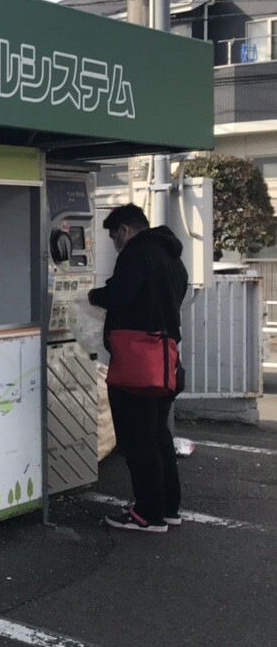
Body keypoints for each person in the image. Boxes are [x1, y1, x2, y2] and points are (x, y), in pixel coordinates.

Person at [88, 203, 189, 533]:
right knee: (159, 437)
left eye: (113, 237)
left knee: (138, 441)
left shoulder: (136, 252)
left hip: (138, 364)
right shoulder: (172, 257)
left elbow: (120, 295)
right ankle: (168, 508)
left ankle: (147, 514)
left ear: (124, 230)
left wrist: (92, 295)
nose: (115, 244)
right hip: (167, 360)